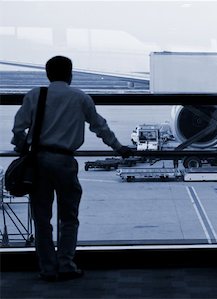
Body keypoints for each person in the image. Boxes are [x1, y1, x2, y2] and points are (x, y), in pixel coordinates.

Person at [11, 56, 133, 282]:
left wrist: (21, 146)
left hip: (39, 161)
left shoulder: (35, 95)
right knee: (68, 216)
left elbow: (18, 129)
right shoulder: (80, 98)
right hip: (65, 162)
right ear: (70, 74)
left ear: (48, 75)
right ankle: (66, 263)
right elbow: (100, 127)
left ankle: (48, 267)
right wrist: (118, 147)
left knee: (41, 218)